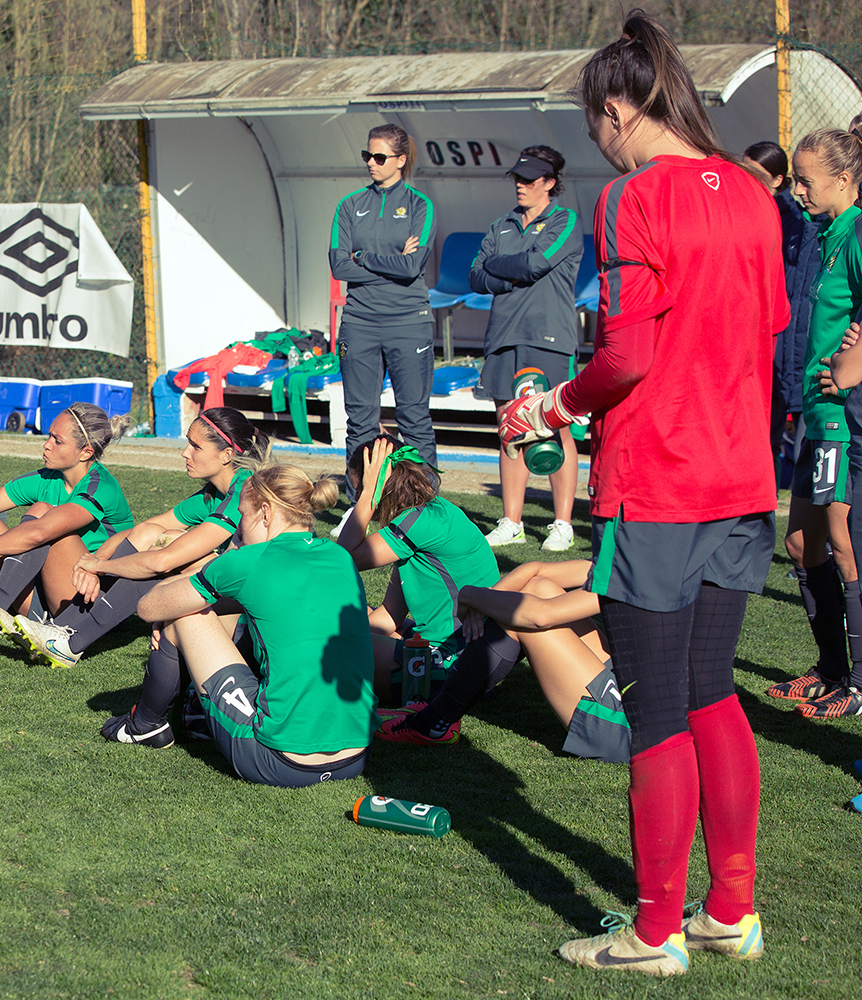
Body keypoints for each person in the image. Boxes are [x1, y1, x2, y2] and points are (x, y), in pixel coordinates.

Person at [497, 11, 787, 976]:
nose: (598, 142)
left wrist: (551, 408)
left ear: (619, 111)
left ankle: (654, 932)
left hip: (658, 479)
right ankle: (731, 910)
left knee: (657, 705)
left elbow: (627, 354)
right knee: (713, 693)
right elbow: (768, 330)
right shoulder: (752, 193)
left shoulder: (635, 197)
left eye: (595, 125)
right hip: (743, 477)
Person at [124, 465, 374, 784]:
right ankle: (195, 713)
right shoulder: (339, 557)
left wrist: (223, 559)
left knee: (182, 617)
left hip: (279, 760)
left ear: (265, 512)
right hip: (355, 757)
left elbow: (148, 607)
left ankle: (144, 725)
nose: (238, 527)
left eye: (242, 514)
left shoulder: (249, 560)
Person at [1, 407, 268, 669]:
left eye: (195, 446)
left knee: (168, 542)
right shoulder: (215, 493)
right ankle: (61, 628)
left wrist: (101, 566)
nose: (185, 452)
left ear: (227, 455)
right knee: (150, 533)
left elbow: (164, 561)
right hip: (230, 586)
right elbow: (145, 529)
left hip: (255, 604)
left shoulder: (245, 490)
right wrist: (97, 558)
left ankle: (70, 640)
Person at [333, 438, 500, 744]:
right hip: (460, 653)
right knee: (346, 621)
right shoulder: (428, 514)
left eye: (358, 488)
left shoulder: (419, 523)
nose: (355, 496)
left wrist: (367, 496)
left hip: (452, 665)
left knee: (336, 645)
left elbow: (340, 560)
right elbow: (389, 617)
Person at [382, 559, 631, 763]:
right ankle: (440, 702)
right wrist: (485, 601)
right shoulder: (642, 556)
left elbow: (540, 616)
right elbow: (537, 571)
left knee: (519, 616)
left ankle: (433, 722)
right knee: (539, 588)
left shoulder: (647, 570)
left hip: (634, 725)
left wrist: (471, 596)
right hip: (629, 682)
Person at [0, 402, 133, 647]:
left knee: (42, 514)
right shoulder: (47, 478)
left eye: (57, 441)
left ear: (86, 452)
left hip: (91, 608)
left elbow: (38, 533)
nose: (46, 444)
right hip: (47, 599)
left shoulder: (102, 487)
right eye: (49, 436)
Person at [470, 146, 584, 552]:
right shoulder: (500, 224)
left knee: (554, 425)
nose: (520, 185)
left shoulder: (565, 220)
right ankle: (512, 522)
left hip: (547, 336)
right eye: (517, 178)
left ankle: (563, 523)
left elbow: (536, 264)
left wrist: (501, 265)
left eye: (530, 179)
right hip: (503, 335)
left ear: (550, 183)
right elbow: (475, 276)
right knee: (509, 427)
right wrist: (509, 273)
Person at [788, 127, 862, 718]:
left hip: (838, 418)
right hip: (813, 414)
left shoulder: (858, 231)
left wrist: (850, 372)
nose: (797, 190)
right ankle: (831, 668)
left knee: (844, 546)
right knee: (800, 543)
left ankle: (857, 683)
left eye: (805, 180)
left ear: (842, 178)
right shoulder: (824, 233)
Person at [328, 123, 438, 483]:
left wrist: (362, 257)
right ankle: (359, 502)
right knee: (360, 420)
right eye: (367, 155)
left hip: (409, 322)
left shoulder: (421, 205)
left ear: (401, 160)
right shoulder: (349, 205)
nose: (370, 163)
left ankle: (425, 502)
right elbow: (339, 266)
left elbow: (411, 267)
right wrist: (389, 264)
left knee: (413, 419)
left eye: (379, 157)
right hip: (359, 322)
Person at [743, 141, 814, 492]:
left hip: (789, 345)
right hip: (761, 341)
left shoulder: (802, 222)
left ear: (777, 180)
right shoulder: (744, 212)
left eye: (756, 175)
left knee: (794, 444)